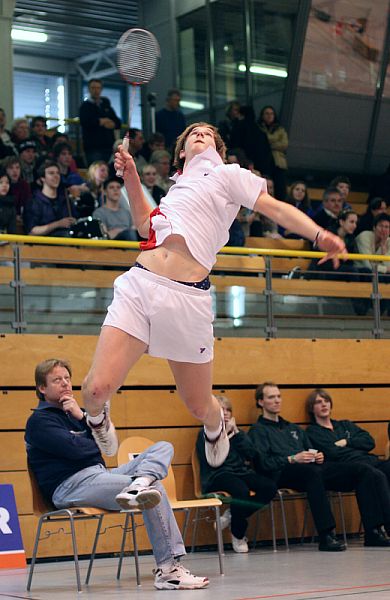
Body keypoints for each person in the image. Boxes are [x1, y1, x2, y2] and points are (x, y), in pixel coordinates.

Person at [81, 122, 345, 472]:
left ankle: (215, 423)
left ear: (219, 150)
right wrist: (131, 175)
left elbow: (275, 209)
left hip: (187, 299)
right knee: (93, 391)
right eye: (193, 132)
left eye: (208, 133)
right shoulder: (175, 191)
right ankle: (98, 420)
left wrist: (319, 234)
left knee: (197, 405)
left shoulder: (227, 175)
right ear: (181, 152)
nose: (200, 134)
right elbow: (146, 227)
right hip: (141, 284)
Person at [25, 358, 208, 591]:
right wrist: (88, 434)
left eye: (67, 378)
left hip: (99, 474)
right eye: (57, 380)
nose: (65, 384)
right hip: (71, 485)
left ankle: (140, 482)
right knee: (154, 491)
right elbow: (82, 449)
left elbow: (101, 444)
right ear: (42, 388)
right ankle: (168, 570)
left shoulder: (74, 414)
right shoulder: (39, 421)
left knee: (162, 447)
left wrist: (81, 418)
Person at [248, 382, 345, 551]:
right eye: (271, 397)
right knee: (313, 473)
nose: (277, 400)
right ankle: (327, 534)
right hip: (280, 474)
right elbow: (263, 464)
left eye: (279, 396)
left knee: (358, 469)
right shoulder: (258, 430)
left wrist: (318, 455)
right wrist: (292, 458)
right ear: (261, 402)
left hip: (307, 470)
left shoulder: (292, 428)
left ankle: (377, 530)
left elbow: (309, 449)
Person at [306, 388, 390, 545]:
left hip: (367, 460)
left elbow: (369, 441)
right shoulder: (313, 432)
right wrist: (354, 448)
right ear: (312, 408)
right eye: (318, 402)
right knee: (371, 474)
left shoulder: (345, 425)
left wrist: (346, 442)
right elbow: (331, 452)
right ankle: (375, 531)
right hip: (345, 469)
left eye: (326, 401)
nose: (324, 404)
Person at [196, 395, 277, 553]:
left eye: (228, 410)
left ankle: (233, 514)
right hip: (217, 475)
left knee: (269, 487)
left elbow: (252, 454)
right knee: (241, 491)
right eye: (221, 409)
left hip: (241, 472)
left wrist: (237, 434)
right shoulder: (205, 434)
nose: (225, 413)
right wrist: (223, 434)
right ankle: (238, 534)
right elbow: (212, 461)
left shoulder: (238, 433)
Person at [23, 160, 77, 237]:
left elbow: (74, 219)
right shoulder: (34, 202)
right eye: (51, 173)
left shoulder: (66, 200)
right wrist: (58, 224)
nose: (56, 176)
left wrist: (74, 221)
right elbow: (32, 231)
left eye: (57, 173)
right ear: (42, 178)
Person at [307, 209, 359, 280]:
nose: (355, 226)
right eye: (351, 222)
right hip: (323, 269)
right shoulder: (328, 234)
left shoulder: (351, 238)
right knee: (352, 271)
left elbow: (350, 259)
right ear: (341, 222)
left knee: (366, 272)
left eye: (356, 223)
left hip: (340, 268)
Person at [79, 79, 121, 165]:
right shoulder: (85, 106)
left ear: (101, 89)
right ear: (89, 89)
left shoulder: (106, 105)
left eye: (98, 88)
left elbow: (117, 122)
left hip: (109, 146)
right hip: (93, 147)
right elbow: (85, 122)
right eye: (93, 88)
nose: (96, 90)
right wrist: (100, 122)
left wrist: (112, 124)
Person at [258, 106, 288, 200]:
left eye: (271, 113)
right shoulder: (258, 128)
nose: (269, 116)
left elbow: (284, 144)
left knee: (280, 188)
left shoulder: (280, 129)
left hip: (279, 163)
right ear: (262, 115)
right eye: (267, 113)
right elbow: (259, 142)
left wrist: (267, 143)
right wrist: (275, 141)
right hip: (264, 162)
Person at [3, 155, 32, 219]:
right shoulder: (2, 186)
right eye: (11, 168)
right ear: (5, 170)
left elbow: (27, 206)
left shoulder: (25, 185)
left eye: (17, 168)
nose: (15, 171)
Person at [0, 169, 16, 234]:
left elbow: (12, 231)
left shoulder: (10, 205)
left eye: (7, 182)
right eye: (0, 182)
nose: (4, 185)